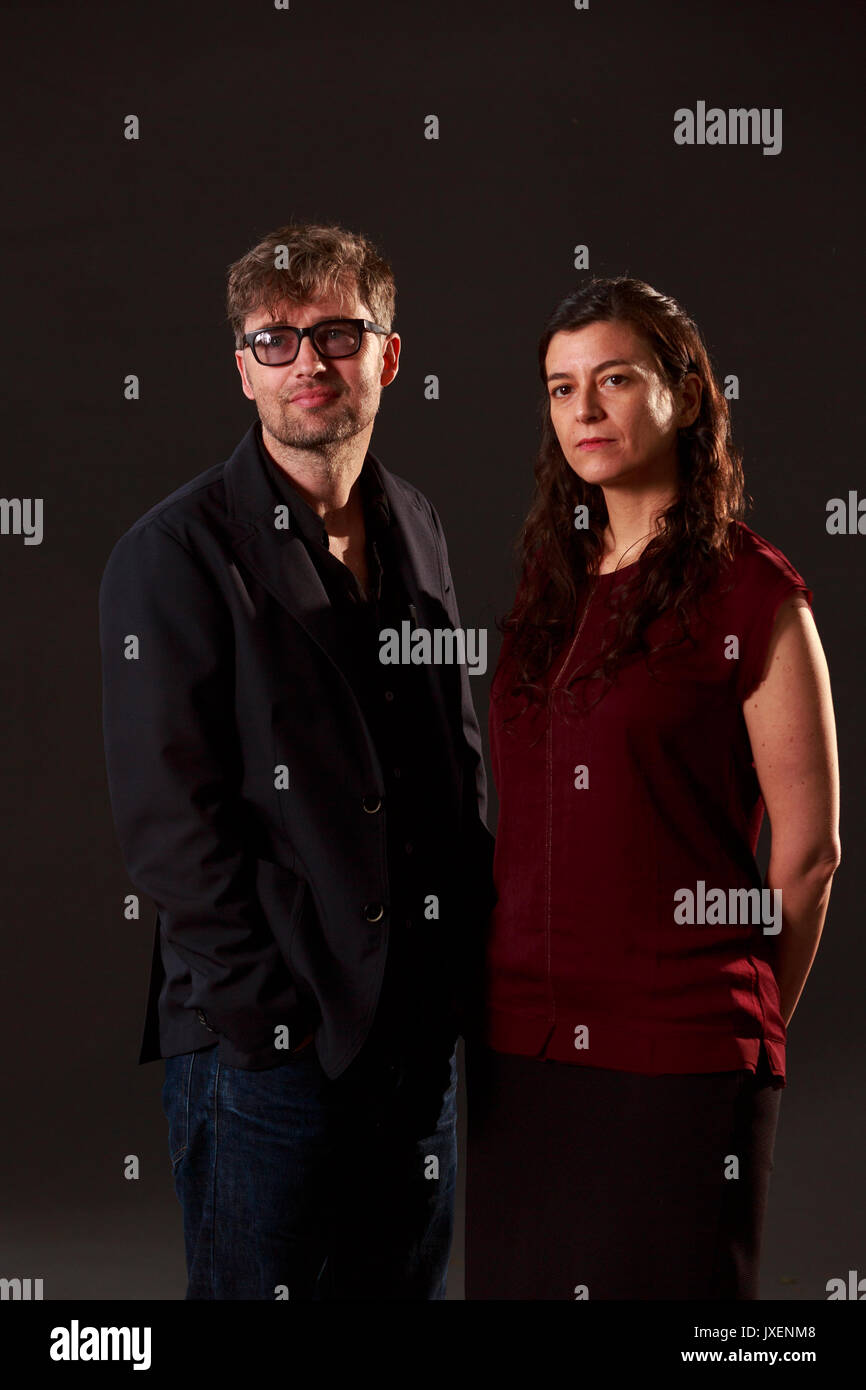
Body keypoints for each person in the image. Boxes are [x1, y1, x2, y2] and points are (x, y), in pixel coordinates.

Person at [98, 221, 494, 1300]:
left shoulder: (413, 522)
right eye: (275, 340)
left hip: (415, 1038)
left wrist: (456, 974)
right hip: (268, 1045)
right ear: (242, 370)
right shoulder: (171, 554)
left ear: (388, 354)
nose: (307, 363)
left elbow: (453, 762)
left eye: (335, 333)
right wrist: (268, 1018)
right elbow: (171, 829)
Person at [464, 276, 840, 1301]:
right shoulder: (547, 588)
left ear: (682, 392)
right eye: (559, 387)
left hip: (675, 1047)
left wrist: (739, 1036)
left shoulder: (753, 590)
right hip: (518, 1043)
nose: (583, 410)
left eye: (613, 380)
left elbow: (805, 857)